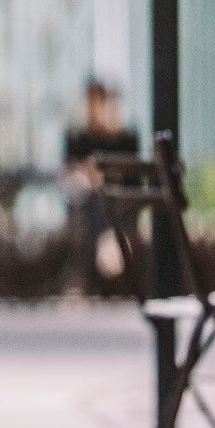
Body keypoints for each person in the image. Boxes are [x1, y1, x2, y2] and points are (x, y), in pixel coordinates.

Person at [60, 80, 139, 292]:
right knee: (91, 201)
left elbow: (131, 179)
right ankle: (105, 254)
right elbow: (69, 173)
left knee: (100, 203)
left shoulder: (124, 139)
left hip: (116, 203)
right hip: (90, 201)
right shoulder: (79, 137)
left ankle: (107, 252)